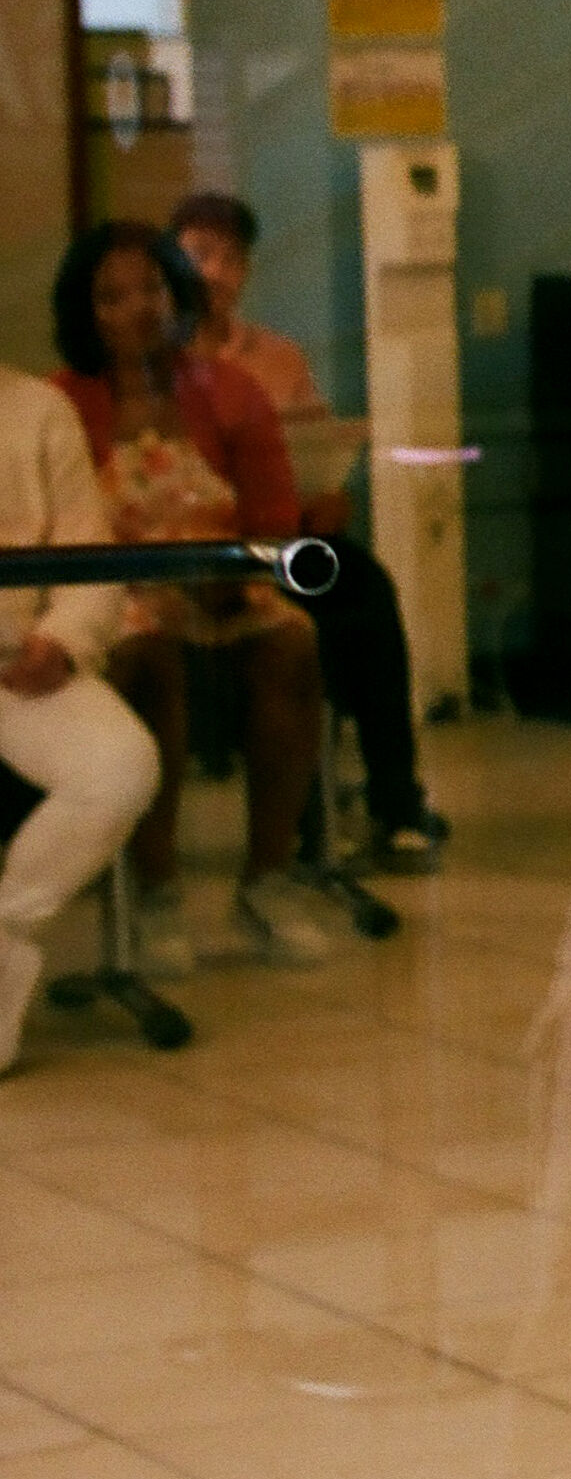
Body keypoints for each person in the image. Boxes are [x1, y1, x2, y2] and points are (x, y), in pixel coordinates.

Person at [52, 221, 340, 971]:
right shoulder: (63, 405)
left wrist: (240, 573)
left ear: (176, 295)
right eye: (113, 297)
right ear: (87, 313)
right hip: (116, 594)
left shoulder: (229, 390)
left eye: (151, 288)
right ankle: (157, 889)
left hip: (219, 580)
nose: (138, 309)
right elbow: (55, 528)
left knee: (293, 640)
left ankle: (268, 879)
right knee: (146, 648)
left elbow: (275, 513)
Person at [172, 192, 449, 866]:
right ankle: (298, 801)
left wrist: (330, 498)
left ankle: (394, 799)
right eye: (201, 255)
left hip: (282, 538)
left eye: (232, 260)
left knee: (363, 587)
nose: (216, 273)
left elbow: (318, 458)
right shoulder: (155, 363)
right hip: (196, 551)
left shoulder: (279, 358)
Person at [0, 364, 165, 1071]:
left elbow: (90, 560)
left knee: (120, 764)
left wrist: (62, 644)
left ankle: (5, 934)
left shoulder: (38, 409)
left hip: (13, 665)